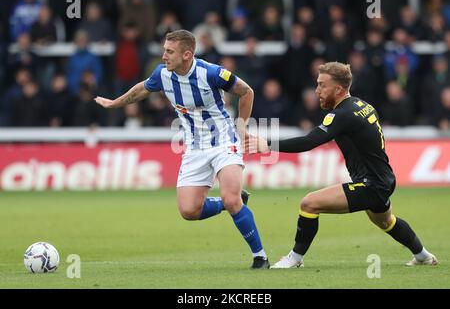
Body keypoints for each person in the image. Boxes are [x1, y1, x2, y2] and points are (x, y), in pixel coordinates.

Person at [95, 29, 269, 269]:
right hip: (194, 148)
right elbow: (141, 89)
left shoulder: (212, 73)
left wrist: (242, 128)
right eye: (164, 50)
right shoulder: (162, 74)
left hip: (223, 142)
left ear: (187, 55)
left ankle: (260, 256)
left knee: (232, 199)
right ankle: (235, 201)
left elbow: (246, 91)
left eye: (169, 51)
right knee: (189, 210)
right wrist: (115, 103)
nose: (163, 56)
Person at [246, 61, 438, 268]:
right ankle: (424, 256)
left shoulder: (341, 115)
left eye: (322, 85)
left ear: (338, 89)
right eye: (317, 84)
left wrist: (267, 144)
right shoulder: (362, 105)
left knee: (309, 203)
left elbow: (310, 141)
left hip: (371, 184)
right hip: (385, 179)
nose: (317, 90)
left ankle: (295, 258)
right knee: (386, 221)